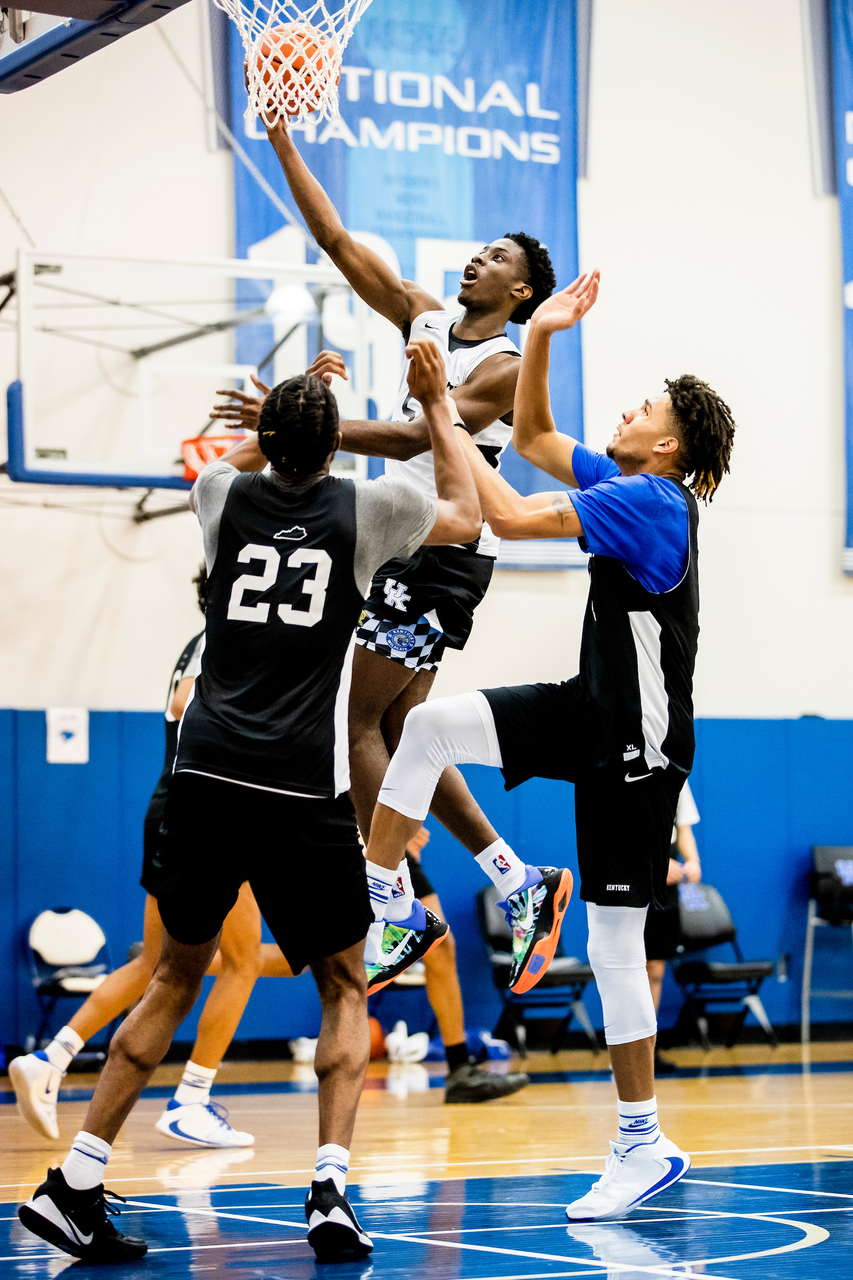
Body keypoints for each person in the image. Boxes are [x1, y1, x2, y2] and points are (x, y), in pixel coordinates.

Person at [18, 339, 481, 1265]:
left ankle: (76, 1181)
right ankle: (330, 1192)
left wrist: (278, 416)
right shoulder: (373, 507)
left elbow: (226, 462)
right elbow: (467, 512)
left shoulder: (220, 499)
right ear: (333, 446)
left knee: (171, 977)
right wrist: (434, 403)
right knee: (345, 984)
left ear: (265, 438)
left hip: (204, 777)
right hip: (298, 785)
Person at [361, 270, 736, 1223]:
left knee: (614, 945)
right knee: (428, 724)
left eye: (642, 406)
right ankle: (392, 898)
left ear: (668, 444)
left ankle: (640, 1141)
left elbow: (509, 512)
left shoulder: (654, 502)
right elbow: (526, 442)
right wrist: (540, 338)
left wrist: (444, 409)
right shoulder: (628, 481)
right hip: (590, 708)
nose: (625, 409)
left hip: (638, 746)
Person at [211, 115, 565, 1058]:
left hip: (438, 550)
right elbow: (336, 242)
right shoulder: (427, 322)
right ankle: (510, 876)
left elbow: (417, 439)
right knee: (402, 729)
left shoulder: (501, 364)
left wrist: (308, 427)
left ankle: (395, 899)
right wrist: (282, 139)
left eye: (493, 258)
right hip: (404, 543)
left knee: (360, 723)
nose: (472, 263)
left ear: (519, 288)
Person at [8, 568, 289, 1150]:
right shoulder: (229, 640)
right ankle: (192, 1098)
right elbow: (189, 705)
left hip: (170, 808)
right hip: (213, 814)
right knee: (240, 962)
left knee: (157, 964)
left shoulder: (201, 639)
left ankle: (51, 1058)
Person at [402, 826, 529, 1103]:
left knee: (439, 943)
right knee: (322, 957)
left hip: (391, 847)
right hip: (360, 840)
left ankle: (460, 1070)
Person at [645, 781, 701, 1075]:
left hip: (666, 879)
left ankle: (648, 1052)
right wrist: (655, 864)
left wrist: (692, 860)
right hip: (631, 873)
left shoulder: (675, 771)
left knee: (656, 969)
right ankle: (626, 1049)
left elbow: (684, 826)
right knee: (630, 969)